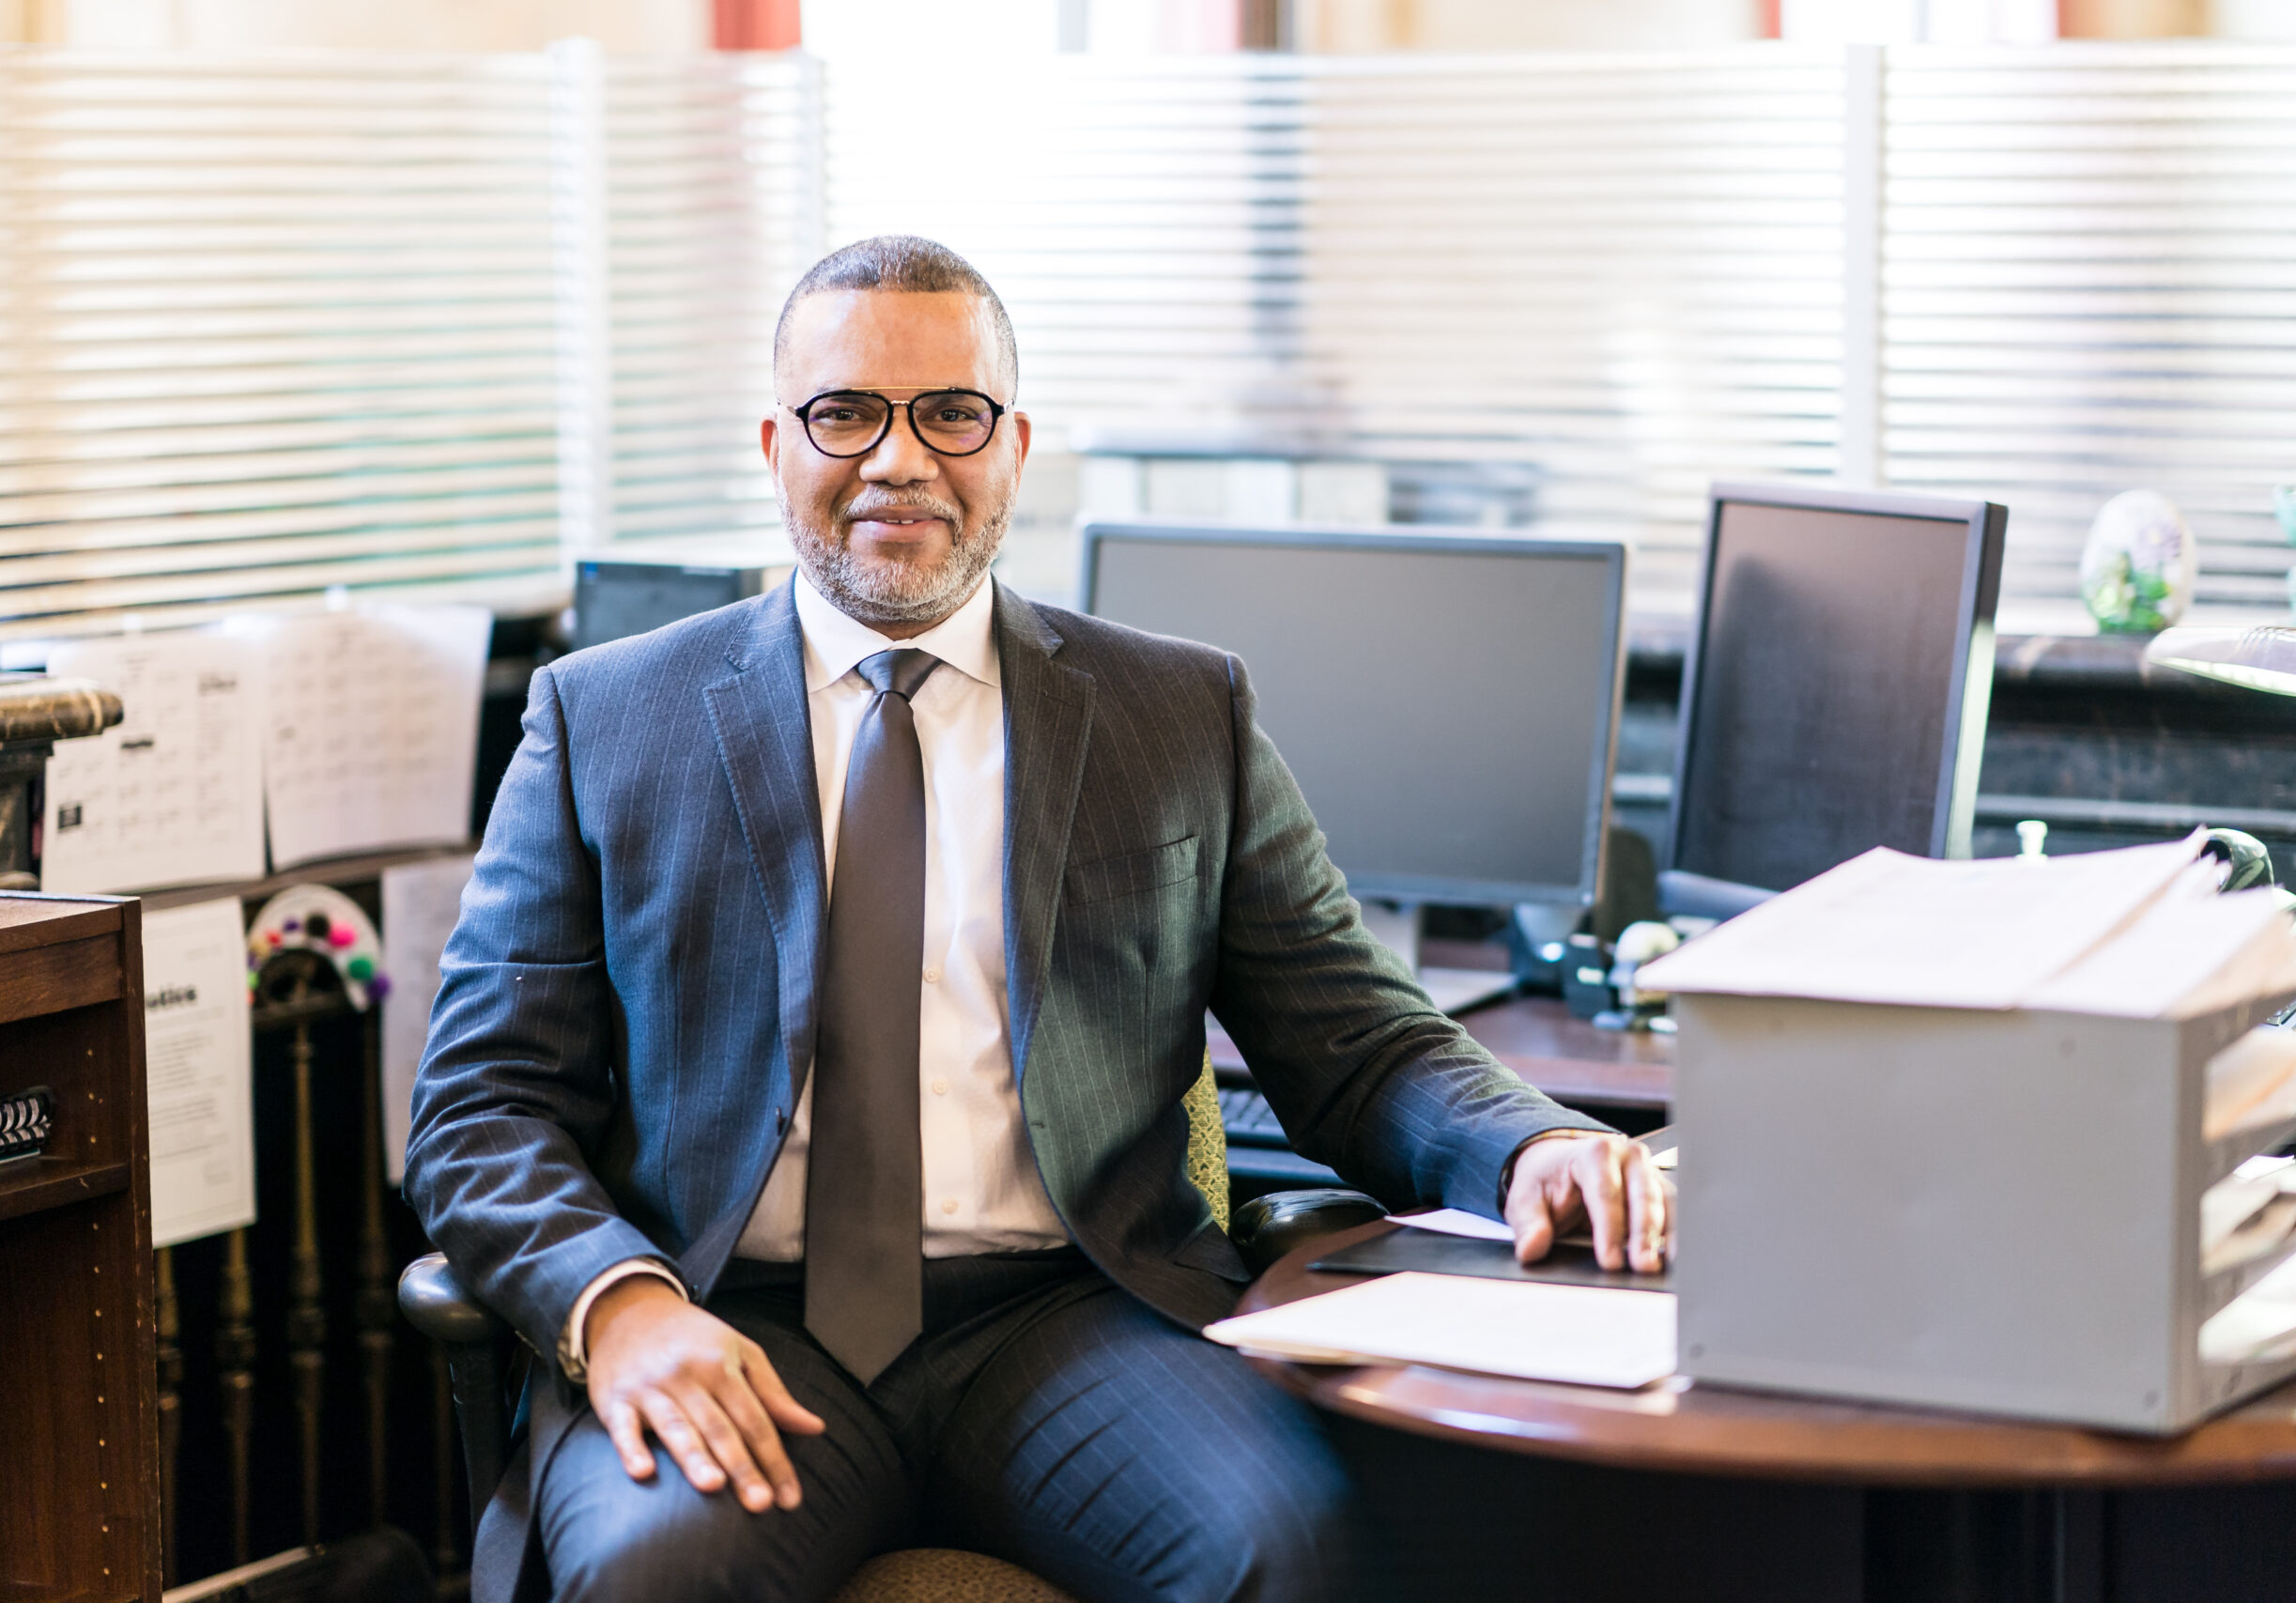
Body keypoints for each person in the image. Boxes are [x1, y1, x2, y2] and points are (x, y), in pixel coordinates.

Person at [407, 234, 1671, 1603]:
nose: (901, 459)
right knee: (648, 1581)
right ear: (777, 441)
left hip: (1072, 1321)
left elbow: (1355, 1040)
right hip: (736, 1318)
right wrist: (621, 1306)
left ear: (1013, 448)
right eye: (847, 412)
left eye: (952, 413)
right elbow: (480, 1102)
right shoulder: (607, 718)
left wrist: (1530, 1139)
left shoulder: (1179, 713)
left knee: (1296, 1551)